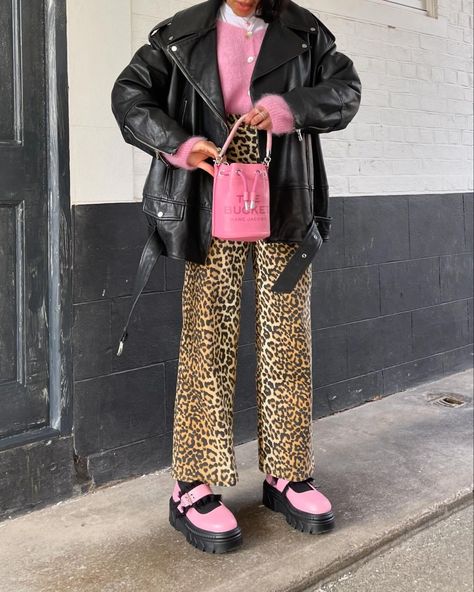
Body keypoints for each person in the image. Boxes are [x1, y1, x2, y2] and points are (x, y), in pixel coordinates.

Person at [111, 0, 361, 554]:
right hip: (209, 186)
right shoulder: (180, 35)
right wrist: (179, 144)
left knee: (287, 333)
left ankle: (288, 474)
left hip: (285, 187)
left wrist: (287, 108)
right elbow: (128, 96)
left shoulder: (304, 31)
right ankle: (192, 483)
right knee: (209, 334)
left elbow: (346, 92)